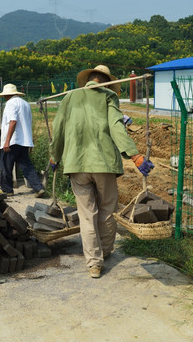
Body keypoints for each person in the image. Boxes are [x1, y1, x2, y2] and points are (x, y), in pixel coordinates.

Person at [49, 65, 153, 278]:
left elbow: (58, 128)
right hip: (104, 163)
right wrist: (134, 155)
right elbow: (116, 126)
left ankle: (94, 264)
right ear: (106, 81)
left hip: (77, 164)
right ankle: (105, 252)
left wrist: (54, 156)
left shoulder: (69, 97)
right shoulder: (109, 97)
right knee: (107, 210)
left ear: (89, 79)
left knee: (87, 215)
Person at [0, 83, 46, 198]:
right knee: (27, 166)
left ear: (7, 95)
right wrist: (30, 141)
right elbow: (27, 122)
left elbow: (13, 122)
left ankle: (7, 190)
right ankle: (38, 188)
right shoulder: (25, 104)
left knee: (5, 165)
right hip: (24, 141)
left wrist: (7, 141)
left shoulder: (10, 104)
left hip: (13, 140)